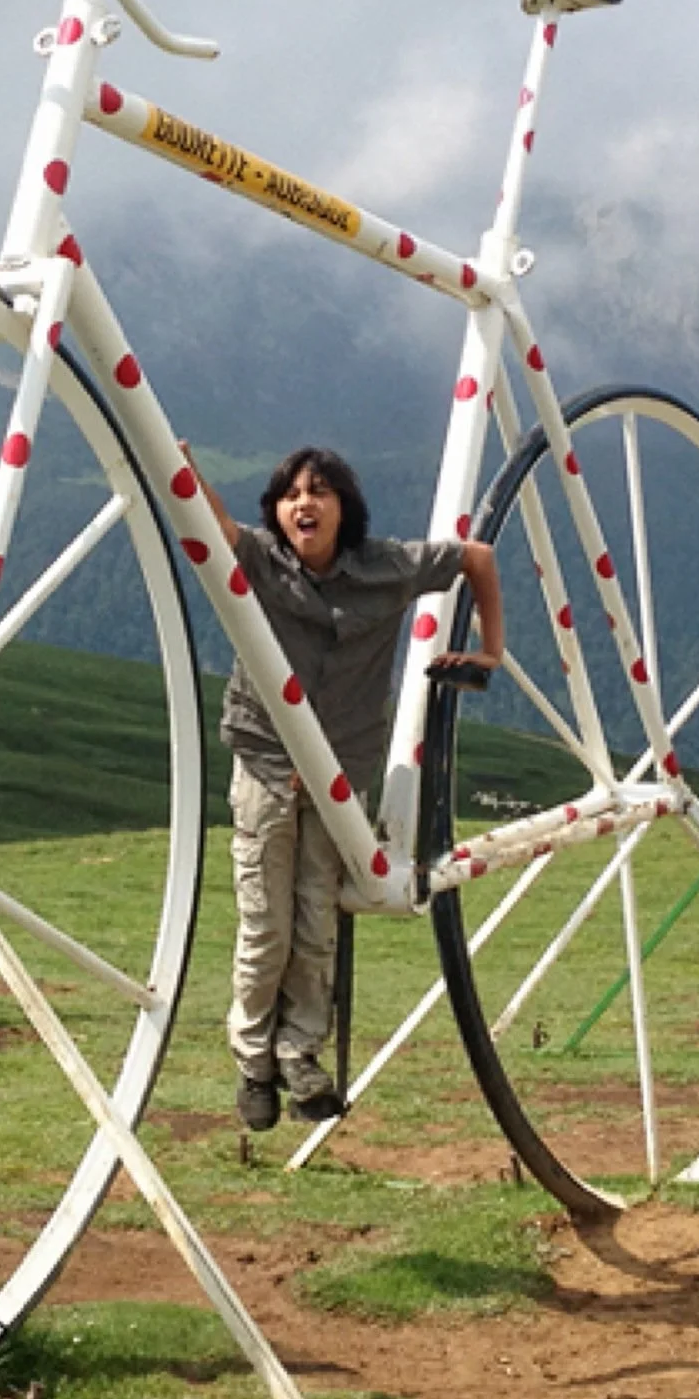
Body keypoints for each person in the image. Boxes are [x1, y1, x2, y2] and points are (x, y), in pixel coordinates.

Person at [186, 444, 504, 1132]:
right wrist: (178, 463)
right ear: (276, 509)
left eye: (320, 491)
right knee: (265, 924)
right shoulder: (261, 560)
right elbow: (213, 526)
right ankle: (254, 1063)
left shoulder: (386, 567)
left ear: (344, 507)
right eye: (291, 494)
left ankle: (299, 1056)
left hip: (340, 773)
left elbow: (475, 558)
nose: (304, 504)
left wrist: (490, 648)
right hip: (266, 762)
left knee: (315, 920)